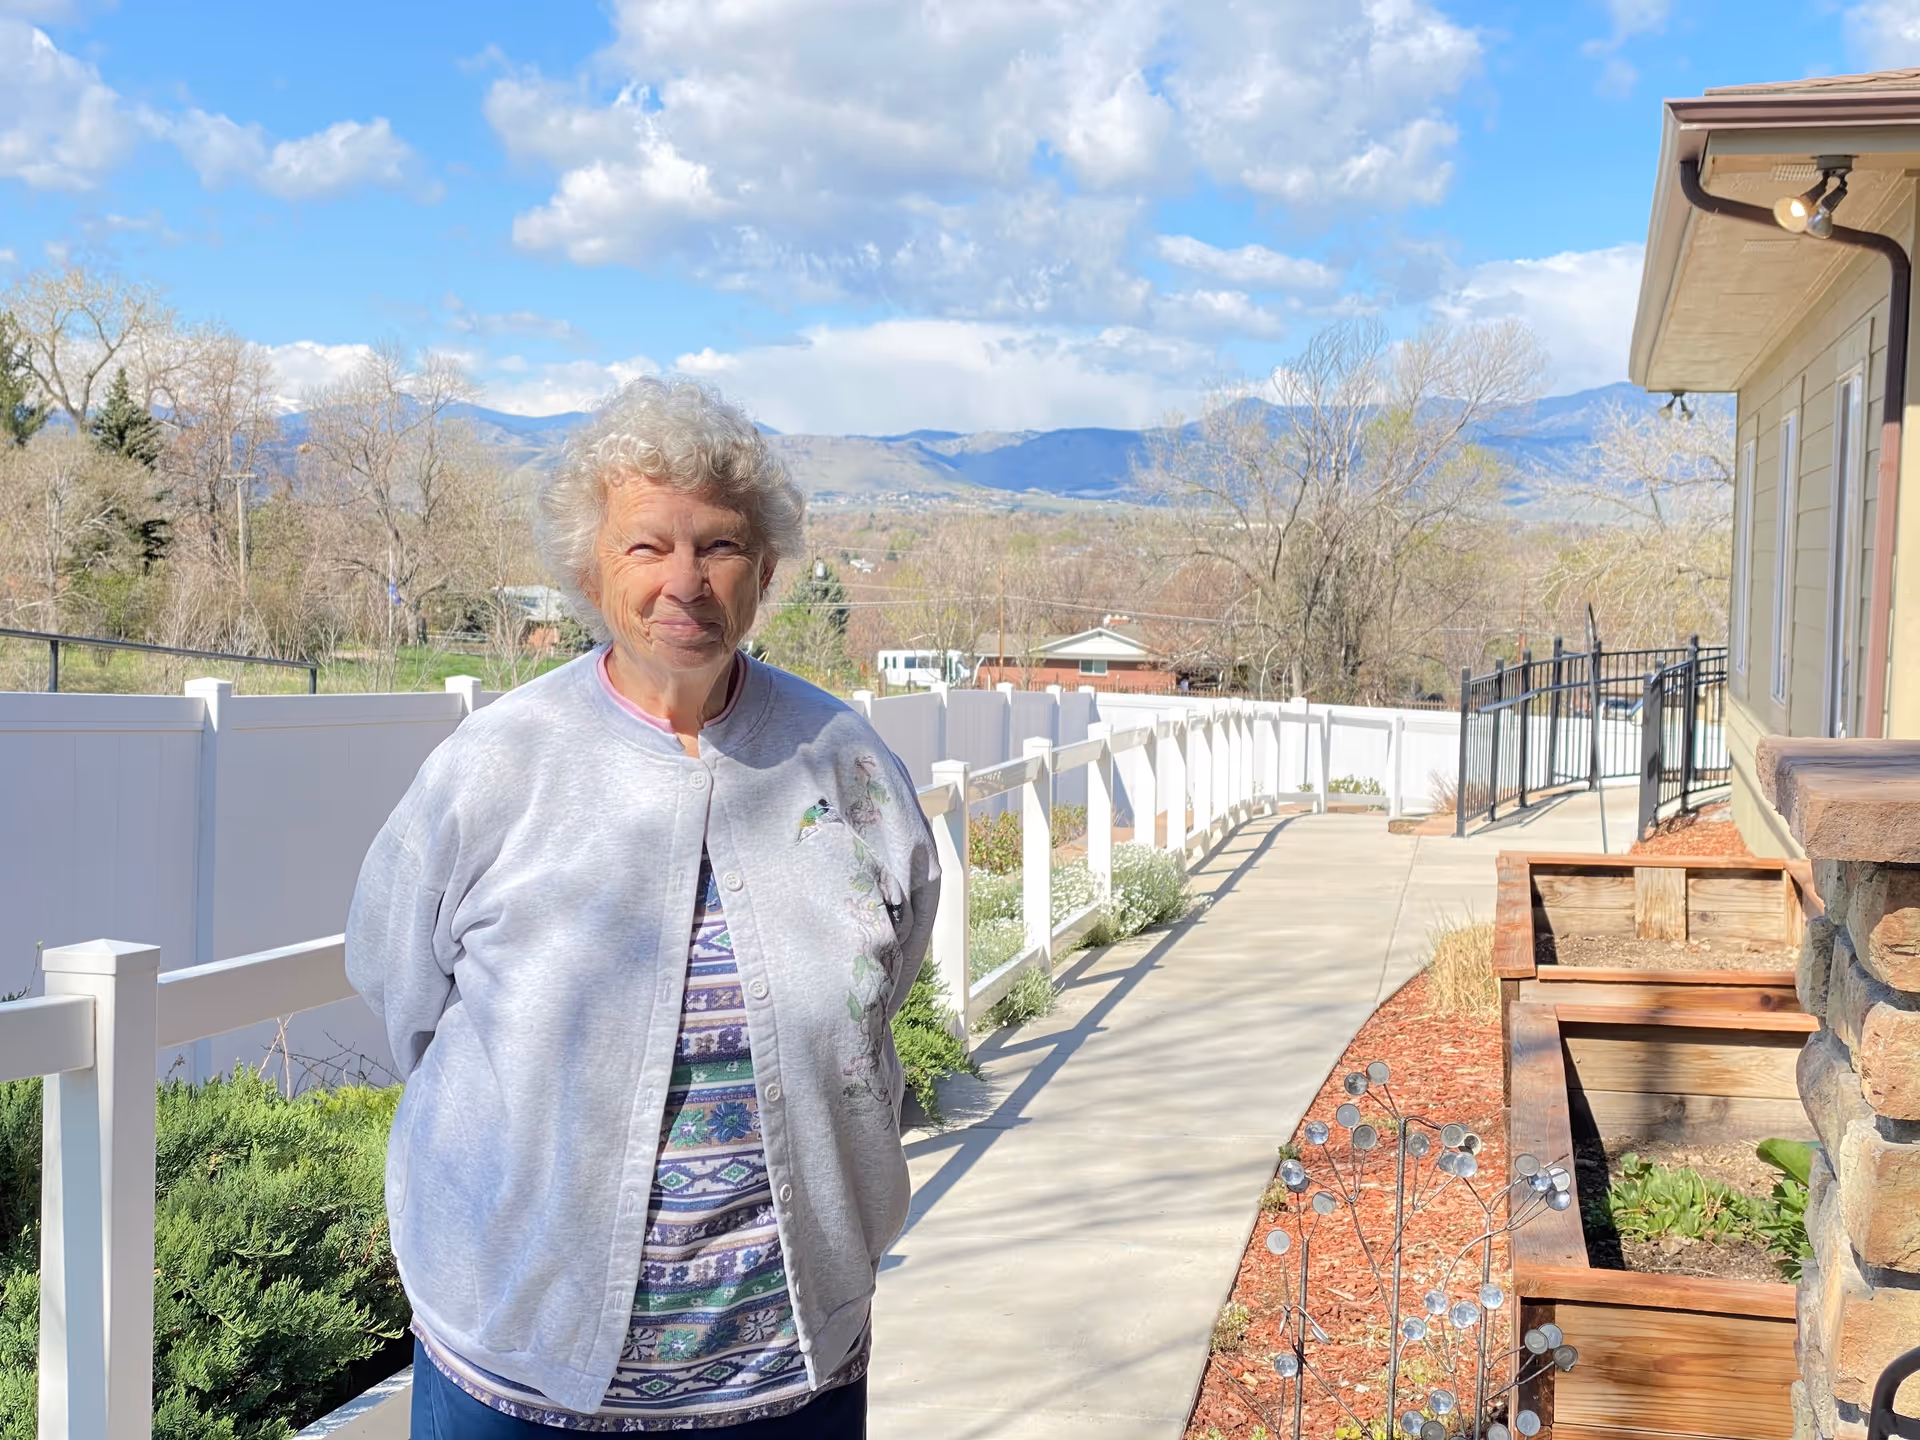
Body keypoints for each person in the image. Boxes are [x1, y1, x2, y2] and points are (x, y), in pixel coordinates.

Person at [346, 378, 940, 1437]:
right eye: (646, 547)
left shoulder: (843, 765)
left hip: (788, 1372)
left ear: (762, 569)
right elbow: (407, 994)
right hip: (519, 1373)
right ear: (590, 569)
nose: (686, 581)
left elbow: (881, 988)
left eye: (717, 546)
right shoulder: (497, 768)